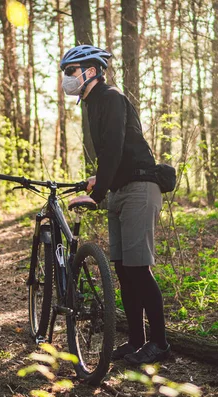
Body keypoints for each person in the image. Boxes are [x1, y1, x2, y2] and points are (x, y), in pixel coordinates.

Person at [63, 45, 170, 365]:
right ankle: (137, 341)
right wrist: (101, 179)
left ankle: (161, 344)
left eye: (71, 71)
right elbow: (115, 154)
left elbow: (113, 148)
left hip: (140, 189)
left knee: (139, 268)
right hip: (121, 190)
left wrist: (95, 195)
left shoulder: (110, 98)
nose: (66, 78)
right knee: (123, 270)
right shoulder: (93, 104)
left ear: (91, 72)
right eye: (64, 73)